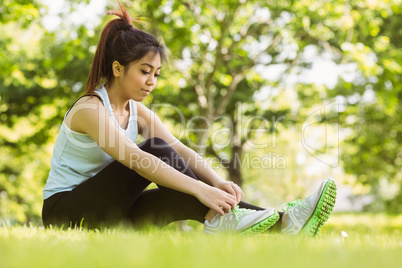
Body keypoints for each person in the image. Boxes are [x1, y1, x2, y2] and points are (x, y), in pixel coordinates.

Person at [41, 1, 337, 236]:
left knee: (176, 191)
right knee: (156, 152)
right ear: (118, 69)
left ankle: (283, 224)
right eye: (144, 71)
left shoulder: (137, 112)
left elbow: (180, 151)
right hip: (65, 214)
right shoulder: (90, 109)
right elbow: (135, 158)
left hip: (112, 212)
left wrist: (217, 182)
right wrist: (201, 189)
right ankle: (276, 223)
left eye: (156, 74)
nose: (151, 81)